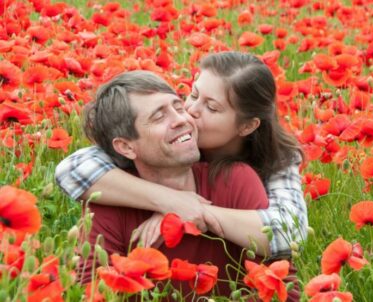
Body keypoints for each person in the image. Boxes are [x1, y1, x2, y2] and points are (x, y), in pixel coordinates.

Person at [55, 52, 307, 258]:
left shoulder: (276, 160)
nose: (189, 111)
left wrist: (193, 212)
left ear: (247, 126)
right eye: (193, 95)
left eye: (211, 107)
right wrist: (169, 200)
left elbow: (290, 233)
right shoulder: (161, 142)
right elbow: (73, 170)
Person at [78, 70, 274, 298]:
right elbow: (90, 291)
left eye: (179, 107)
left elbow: (278, 279)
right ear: (126, 147)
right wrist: (172, 203)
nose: (182, 120)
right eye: (159, 117)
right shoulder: (107, 204)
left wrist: (192, 211)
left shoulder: (234, 180)